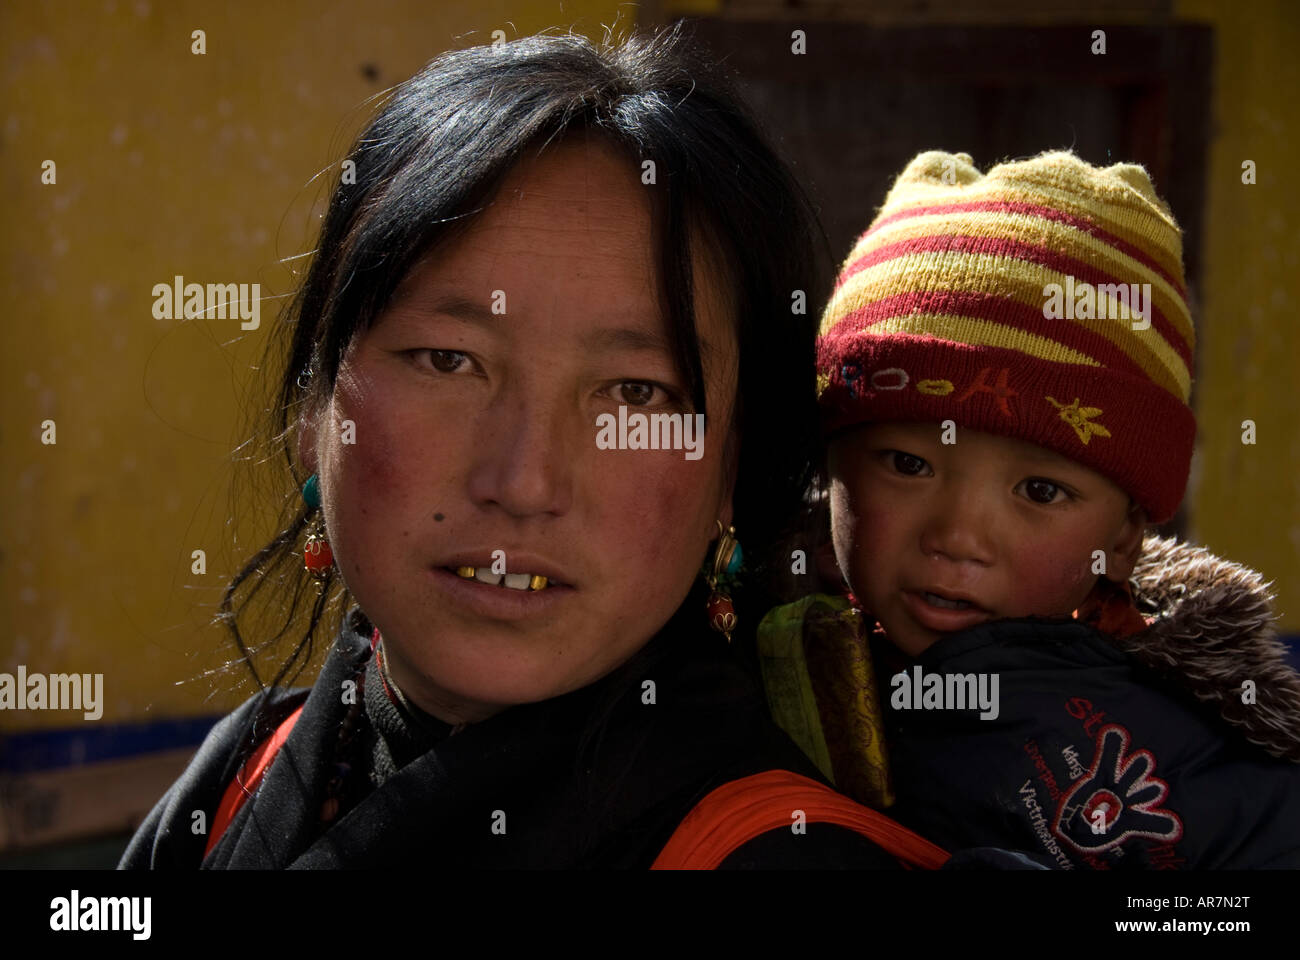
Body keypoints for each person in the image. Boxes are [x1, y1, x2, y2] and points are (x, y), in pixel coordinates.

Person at [119, 27, 969, 870]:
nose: (523, 482)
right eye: (448, 361)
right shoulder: (235, 785)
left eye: (635, 392)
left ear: (729, 471)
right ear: (314, 411)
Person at [766, 149, 1300, 869]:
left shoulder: (1195, 754)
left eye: (1041, 491)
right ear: (831, 465)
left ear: (1123, 537)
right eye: (908, 464)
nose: (958, 537)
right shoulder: (749, 631)